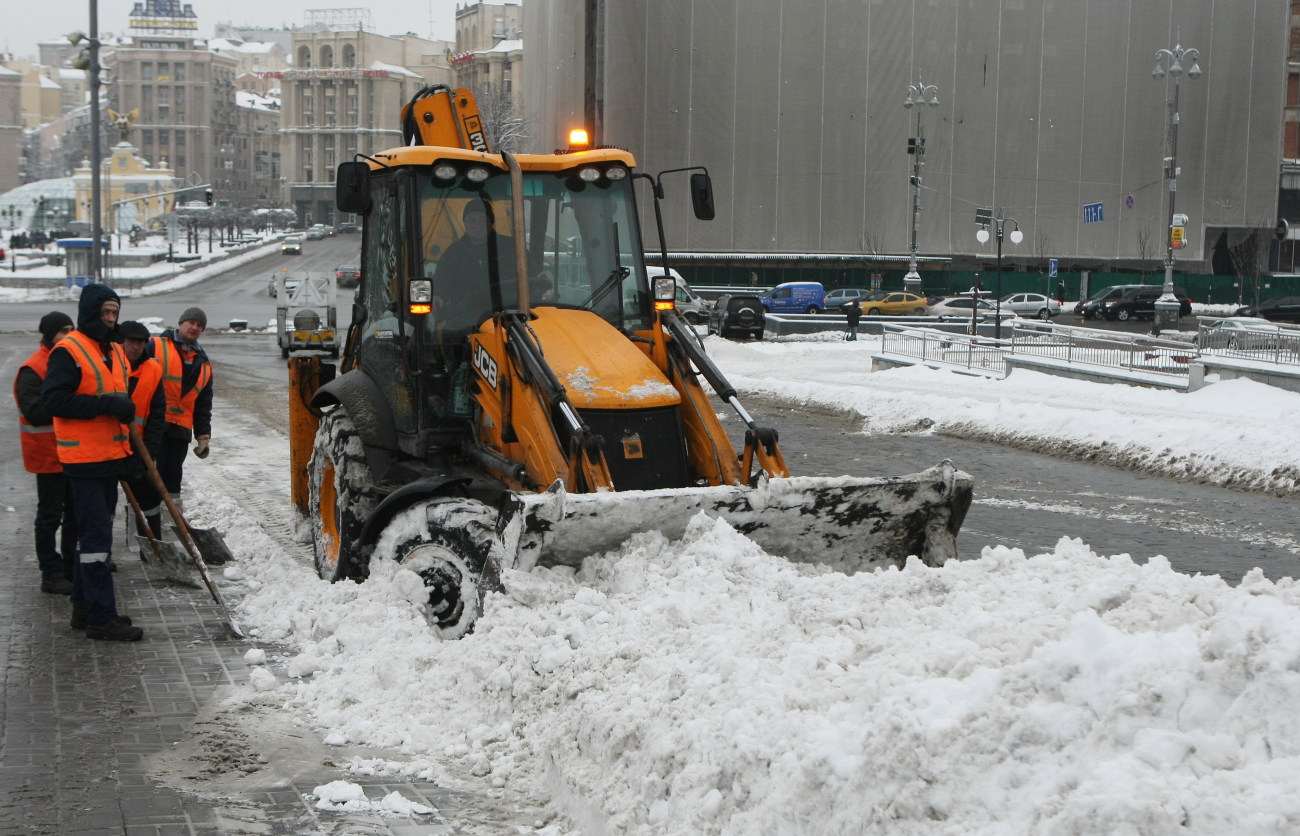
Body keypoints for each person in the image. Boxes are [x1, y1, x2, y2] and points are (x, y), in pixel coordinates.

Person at [41, 284, 143, 641]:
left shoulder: (114, 350)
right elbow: (53, 402)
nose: (111, 319)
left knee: (93, 539)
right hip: (83, 460)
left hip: (110, 458)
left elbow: (119, 403)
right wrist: (106, 405)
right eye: (105, 313)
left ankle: (84, 608)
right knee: (96, 540)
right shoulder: (68, 351)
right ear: (90, 313)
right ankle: (102, 616)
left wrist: (129, 454)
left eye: (115, 312)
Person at [14, 311, 78, 594]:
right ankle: (50, 573)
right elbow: (33, 411)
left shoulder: (68, 361)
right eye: (62, 330)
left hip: (74, 454)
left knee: (75, 515)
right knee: (50, 516)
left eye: (71, 329)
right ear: (48, 334)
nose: (68, 335)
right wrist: (69, 405)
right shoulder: (33, 368)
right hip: (48, 456)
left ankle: (69, 568)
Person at [145, 308, 213, 519]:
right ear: (181, 323)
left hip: (180, 429)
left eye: (199, 326)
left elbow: (203, 404)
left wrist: (202, 435)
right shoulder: (155, 346)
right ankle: (145, 524)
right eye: (191, 322)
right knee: (148, 477)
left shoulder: (203, 363)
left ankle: (170, 526)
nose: (194, 328)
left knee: (173, 478)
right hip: (154, 425)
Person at [119, 321, 166, 538]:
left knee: (149, 497)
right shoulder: (109, 365)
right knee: (105, 501)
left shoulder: (153, 370)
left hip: (139, 448)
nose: (135, 347)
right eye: (130, 342)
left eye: (140, 343)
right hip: (108, 446)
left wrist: (150, 453)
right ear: (121, 342)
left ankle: (153, 545)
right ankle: (104, 555)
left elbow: (157, 415)